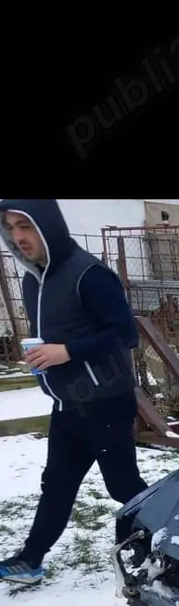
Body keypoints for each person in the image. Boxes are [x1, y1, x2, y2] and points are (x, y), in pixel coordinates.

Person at [0, 199, 147, 586]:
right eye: (11, 227)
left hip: (105, 403)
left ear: (48, 226)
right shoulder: (33, 280)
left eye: (25, 226)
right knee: (58, 484)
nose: (17, 236)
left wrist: (67, 351)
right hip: (67, 405)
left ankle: (164, 544)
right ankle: (31, 560)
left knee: (124, 486)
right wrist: (42, 354)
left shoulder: (89, 275)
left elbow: (124, 334)